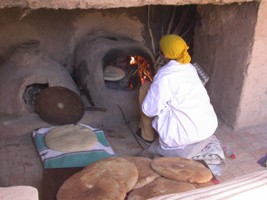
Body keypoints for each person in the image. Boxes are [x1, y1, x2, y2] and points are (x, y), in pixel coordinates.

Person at [136, 34, 218, 157]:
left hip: (184, 136)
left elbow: (149, 110)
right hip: (207, 127)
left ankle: (147, 136)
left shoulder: (165, 75)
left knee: (145, 90)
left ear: (165, 55)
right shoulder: (190, 68)